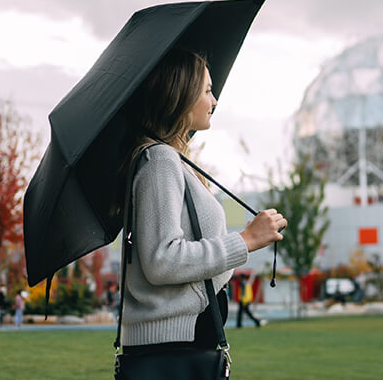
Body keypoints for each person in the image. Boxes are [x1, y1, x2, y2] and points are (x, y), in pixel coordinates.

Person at [115, 49, 286, 357]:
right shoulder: (160, 160)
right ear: (180, 95)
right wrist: (245, 241)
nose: (214, 101)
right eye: (207, 90)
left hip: (185, 337)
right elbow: (162, 261)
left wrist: (247, 238)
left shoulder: (173, 160)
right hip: (174, 345)